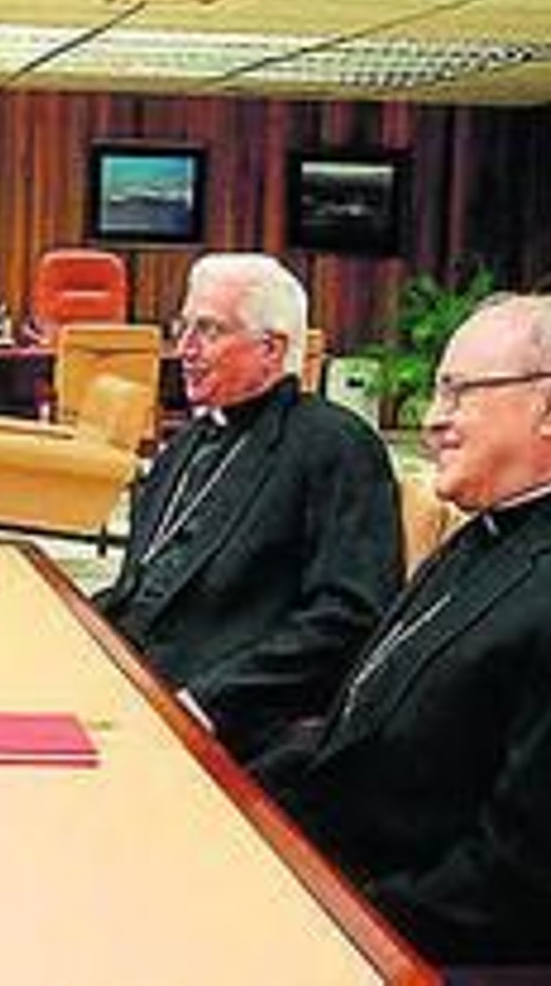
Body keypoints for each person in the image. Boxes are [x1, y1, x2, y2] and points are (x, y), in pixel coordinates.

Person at [255, 294, 551, 964]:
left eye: (458, 392)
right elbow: (361, 734)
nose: (433, 421)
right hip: (344, 881)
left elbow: (527, 877)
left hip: (420, 946)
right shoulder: (491, 529)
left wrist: (316, 922)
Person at [93, 253, 403, 759]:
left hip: (230, 721)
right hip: (133, 687)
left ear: (270, 349)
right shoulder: (189, 442)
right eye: (183, 327)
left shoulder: (336, 445)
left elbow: (347, 617)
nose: (185, 349)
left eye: (209, 331)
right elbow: (144, 586)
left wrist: (206, 702)